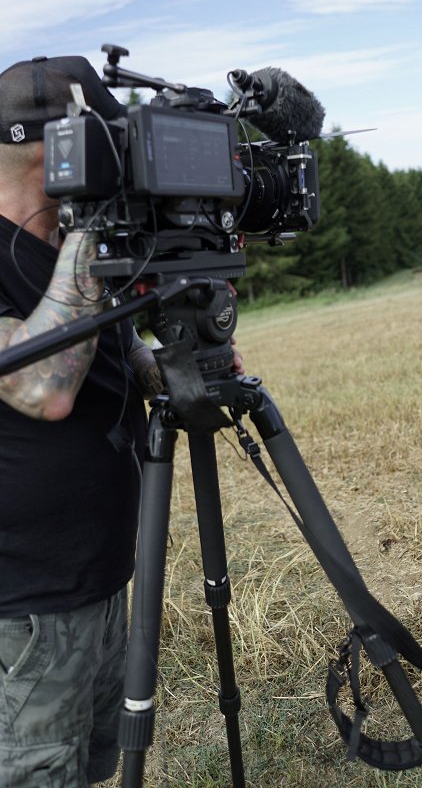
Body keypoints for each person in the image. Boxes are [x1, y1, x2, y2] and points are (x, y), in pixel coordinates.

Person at [0, 55, 242, 786]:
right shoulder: (70, 240)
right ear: (63, 155)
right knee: (36, 772)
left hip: (100, 571)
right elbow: (41, 385)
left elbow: (116, 341)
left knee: (93, 762)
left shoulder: (66, 243)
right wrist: (91, 225)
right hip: (25, 597)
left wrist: (169, 367)